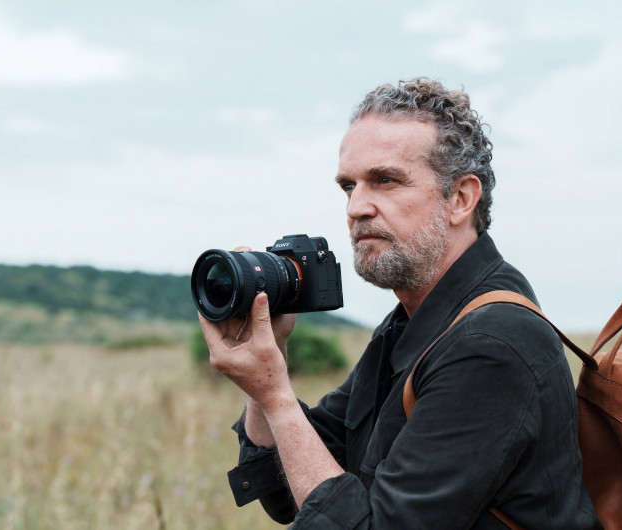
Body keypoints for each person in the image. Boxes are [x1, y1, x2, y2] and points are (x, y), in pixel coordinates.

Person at [199, 78, 601, 528]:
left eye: (385, 181)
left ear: (461, 198)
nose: (356, 207)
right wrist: (265, 369)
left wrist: (276, 395)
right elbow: (290, 495)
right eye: (348, 186)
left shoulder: (491, 343)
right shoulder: (411, 323)